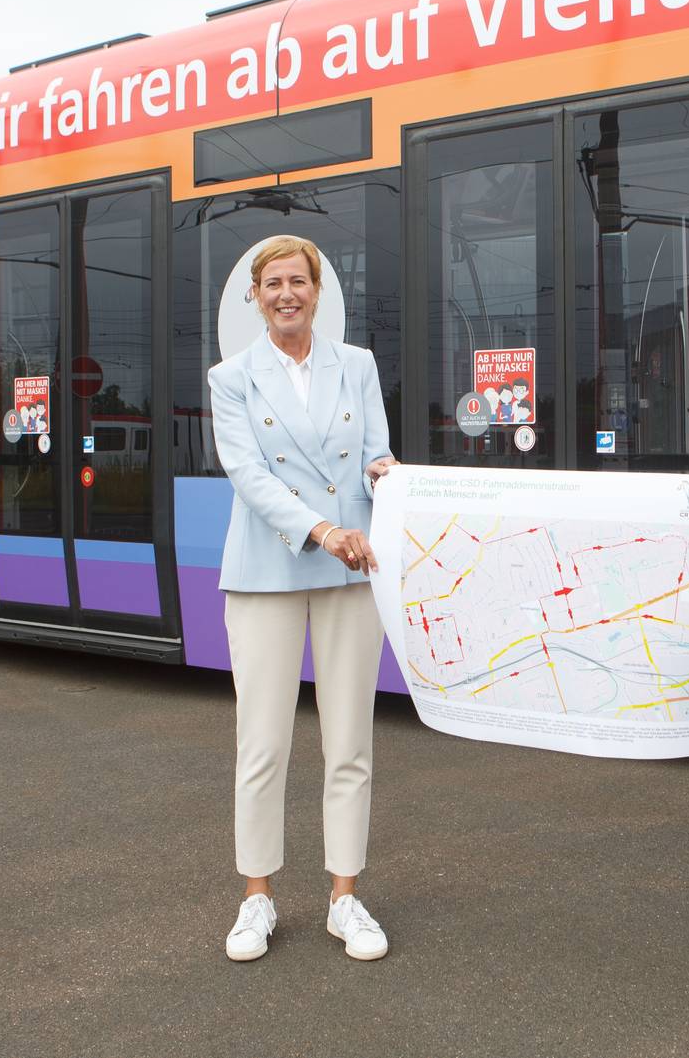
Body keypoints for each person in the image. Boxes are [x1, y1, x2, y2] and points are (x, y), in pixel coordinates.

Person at [208, 235, 398, 962]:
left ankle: (344, 897)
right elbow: (249, 475)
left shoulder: (358, 366)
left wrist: (389, 475)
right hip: (270, 569)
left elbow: (376, 448)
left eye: (299, 281)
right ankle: (256, 896)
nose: (287, 293)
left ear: (319, 291)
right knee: (263, 743)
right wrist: (322, 528)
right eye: (273, 283)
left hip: (355, 567)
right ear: (254, 296)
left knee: (351, 740)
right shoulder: (231, 378)